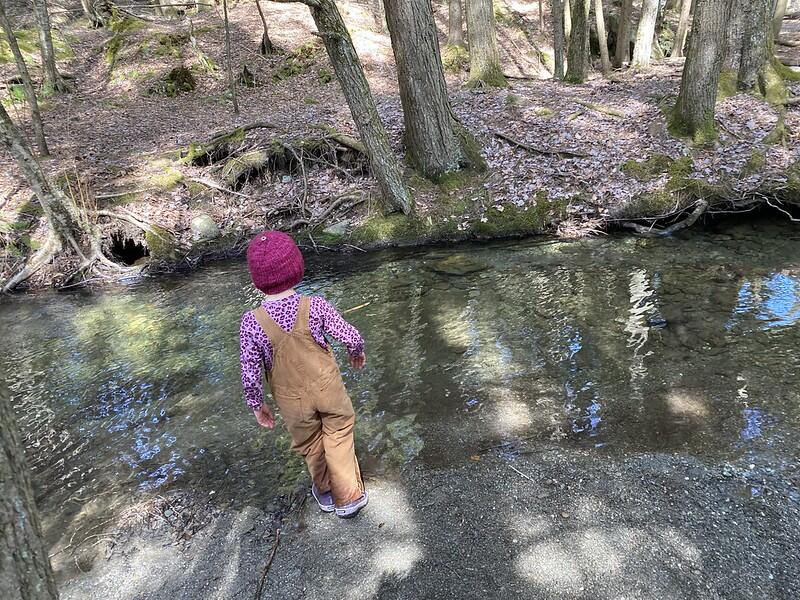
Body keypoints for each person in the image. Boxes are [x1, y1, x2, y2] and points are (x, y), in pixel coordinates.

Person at [239, 231, 369, 518]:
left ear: (256, 279)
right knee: (338, 432)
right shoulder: (316, 305)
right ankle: (348, 498)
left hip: (291, 400)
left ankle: (325, 493)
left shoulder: (251, 322)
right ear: (296, 268)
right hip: (327, 387)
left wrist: (257, 405)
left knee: (309, 442)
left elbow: (249, 372)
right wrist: (356, 351)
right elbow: (350, 335)